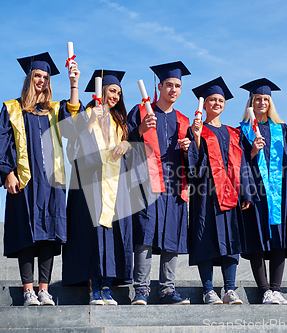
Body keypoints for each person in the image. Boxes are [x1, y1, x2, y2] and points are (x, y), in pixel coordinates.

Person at [0, 52, 71, 306]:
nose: (41, 80)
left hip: (51, 182)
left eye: (45, 77)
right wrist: (7, 172)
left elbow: (75, 123)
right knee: (26, 235)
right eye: (37, 76)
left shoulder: (56, 110)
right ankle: (28, 289)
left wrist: (74, 84)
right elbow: (4, 144)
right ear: (29, 78)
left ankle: (44, 289)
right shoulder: (12, 108)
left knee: (49, 235)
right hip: (24, 182)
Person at [62, 65, 134, 306]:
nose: (115, 97)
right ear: (100, 91)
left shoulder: (119, 120)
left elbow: (129, 148)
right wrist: (91, 121)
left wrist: (126, 145)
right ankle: (94, 287)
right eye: (111, 91)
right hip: (89, 187)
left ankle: (107, 286)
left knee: (112, 235)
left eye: (118, 93)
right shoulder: (85, 113)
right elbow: (72, 148)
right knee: (91, 235)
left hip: (115, 187)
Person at [127, 61, 192, 305]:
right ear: (159, 86)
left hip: (175, 186)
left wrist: (190, 149)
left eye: (177, 86)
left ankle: (167, 290)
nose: (173, 90)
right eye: (169, 85)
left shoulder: (184, 121)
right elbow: (124, 145)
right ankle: (141, 290)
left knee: (172, 237)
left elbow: (195, 160)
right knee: (144, 236)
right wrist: (139, 130)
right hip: (147, 185)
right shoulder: (141, 111)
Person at [188, 77, 254, 305]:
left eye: (220, 100)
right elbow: (192, 164)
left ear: (224, 104)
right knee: (205, 238)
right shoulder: (196, 129)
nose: (216, 103)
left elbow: (243, 163)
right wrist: (196, 137)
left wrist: (246, 192)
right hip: (205, 194)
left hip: (231, 194)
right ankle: (208, 290)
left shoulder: (234, 133)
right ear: (204, 104)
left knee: (231, 239)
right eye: (212, 100)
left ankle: (229, 289)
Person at [239, 78, 287, 305]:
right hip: (254, 191)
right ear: (251, 103)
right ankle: (264, 290)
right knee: (257, 238)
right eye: (257, 99)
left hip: (279, 192)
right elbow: (238, 164)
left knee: (280, 239)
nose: (262, 102)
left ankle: (276, 289)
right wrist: (252, 152)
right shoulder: (241, 131)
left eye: (265, 99)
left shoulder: (282, 128)